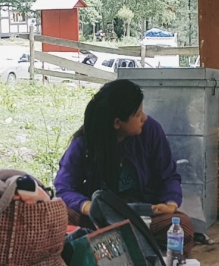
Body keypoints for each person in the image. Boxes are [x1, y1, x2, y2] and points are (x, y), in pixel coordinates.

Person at [55, 78, 193, 256]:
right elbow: (63, 187)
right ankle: (131, 251)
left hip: (142, 216)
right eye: (137, 115)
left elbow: (169, 176)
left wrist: (170, 203)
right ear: (117, 123)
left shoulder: (151, 130)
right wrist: (87, 206)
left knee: (184, 228)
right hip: (98, 217)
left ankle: (108, 252)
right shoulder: (85, 141)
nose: (144, 118)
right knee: (59, 216)